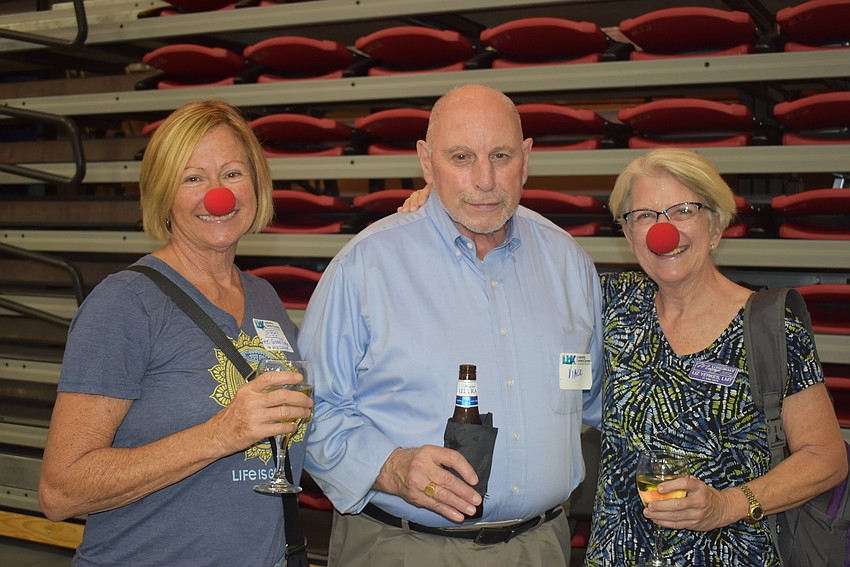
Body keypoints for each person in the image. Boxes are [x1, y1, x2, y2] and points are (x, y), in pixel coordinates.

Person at [298, 84, 603, 567]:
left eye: (501, 155)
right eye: (461, 156)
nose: (484, 179)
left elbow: (590, 397)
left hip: (541, 546)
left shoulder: (570, 264)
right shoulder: (367, 266)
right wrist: (390, 468)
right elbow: (308, 410)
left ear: (526, 158)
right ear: (426, 161)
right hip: (401, 547)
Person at [38, 100, 313, 567]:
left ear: (256, 184)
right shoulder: (124, 304)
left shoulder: (265, 297)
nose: (217, 196)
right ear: (164, 194)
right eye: (192, 178)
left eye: (231, 174)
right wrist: (219, 435)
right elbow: (60, 491)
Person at [584, 148, 847, 566]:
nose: (662, 232)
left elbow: (826, 458)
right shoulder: (614, 305)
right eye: (645, 216)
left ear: (716, 226)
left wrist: (727, 505)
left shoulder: (769, 327)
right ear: (629, 234)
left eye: (683, 210)